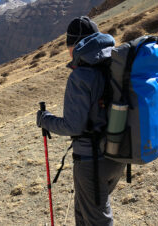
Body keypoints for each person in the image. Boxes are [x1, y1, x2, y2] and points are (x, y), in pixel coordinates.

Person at [37, 16, 125, 225]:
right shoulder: (115, 63)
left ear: (74, 45)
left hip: (91, 161)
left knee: (97, 219)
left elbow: (73, 126)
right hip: (119, 154)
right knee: (85, 212)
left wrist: (45, 119)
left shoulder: (81, 75)